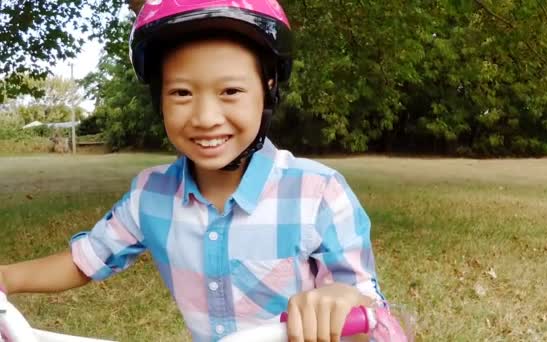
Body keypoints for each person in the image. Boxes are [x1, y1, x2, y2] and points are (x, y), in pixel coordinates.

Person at [0, 1, 391, 341]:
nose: (205, 118)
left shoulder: (318, 192)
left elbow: (365, 305)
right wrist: (6, 278)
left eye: (231, 92)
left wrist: (343, 299)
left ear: (268, 89)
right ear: (159, 98)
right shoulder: (149, 195)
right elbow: (84, 260)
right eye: (182, 93)